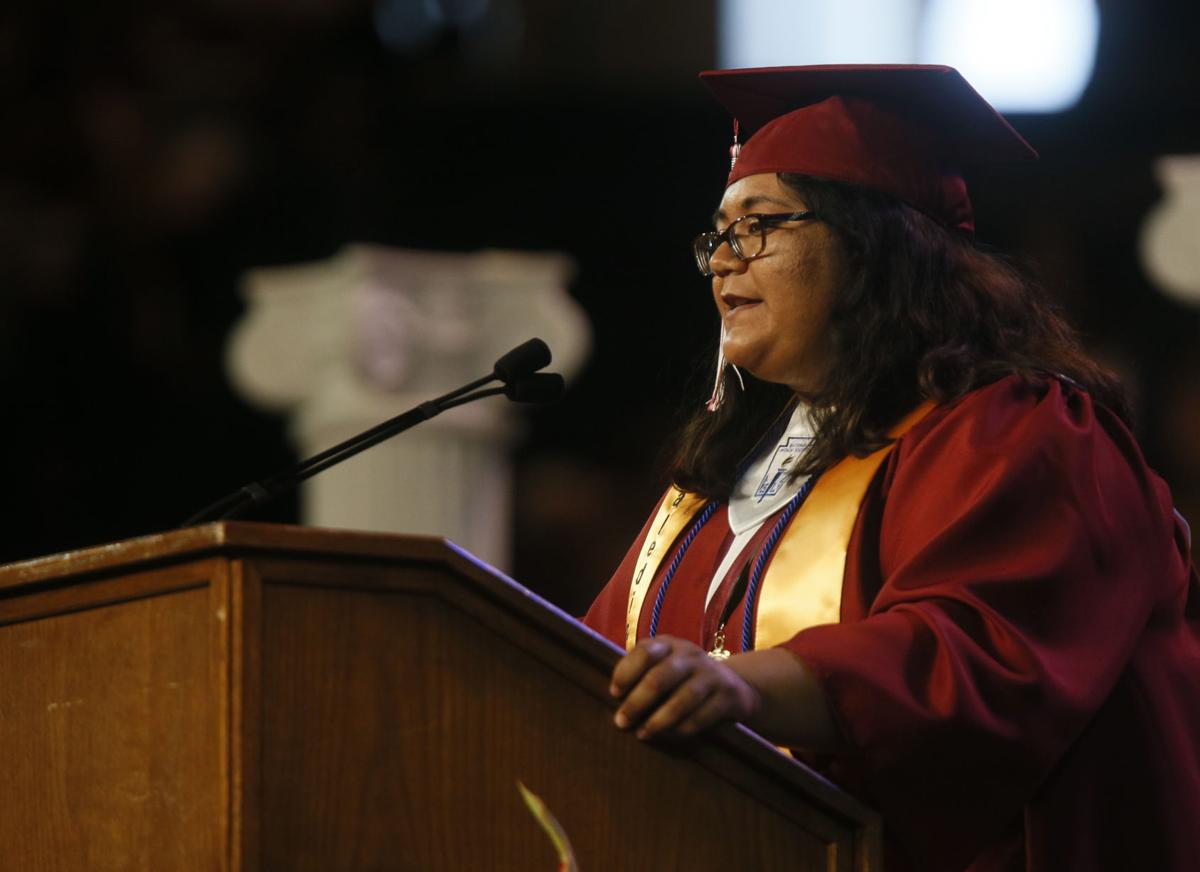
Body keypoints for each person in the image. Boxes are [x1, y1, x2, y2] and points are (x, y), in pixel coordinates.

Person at [582, 65, 1200, 872]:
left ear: (877, 244)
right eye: (717, 235)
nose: (723, 261)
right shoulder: (722, 481)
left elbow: (979, 654)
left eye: (760, 224)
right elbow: (588, 661)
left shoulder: (1021, 433)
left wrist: (748, 689)